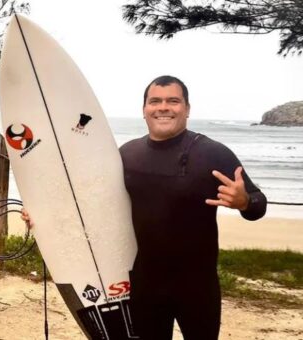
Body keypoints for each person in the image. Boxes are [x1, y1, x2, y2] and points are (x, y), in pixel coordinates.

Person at [22, 75, 267, 340]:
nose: (163, 107)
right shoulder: (128, 154)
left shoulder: (212, 153)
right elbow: (92, 202)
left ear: (186, 109)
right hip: (146, 283)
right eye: (155, 101)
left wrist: (244, 201)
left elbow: (258, 204)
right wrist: (43, 214)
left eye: (173, 101)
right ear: (144, 110)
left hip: (198, 286)